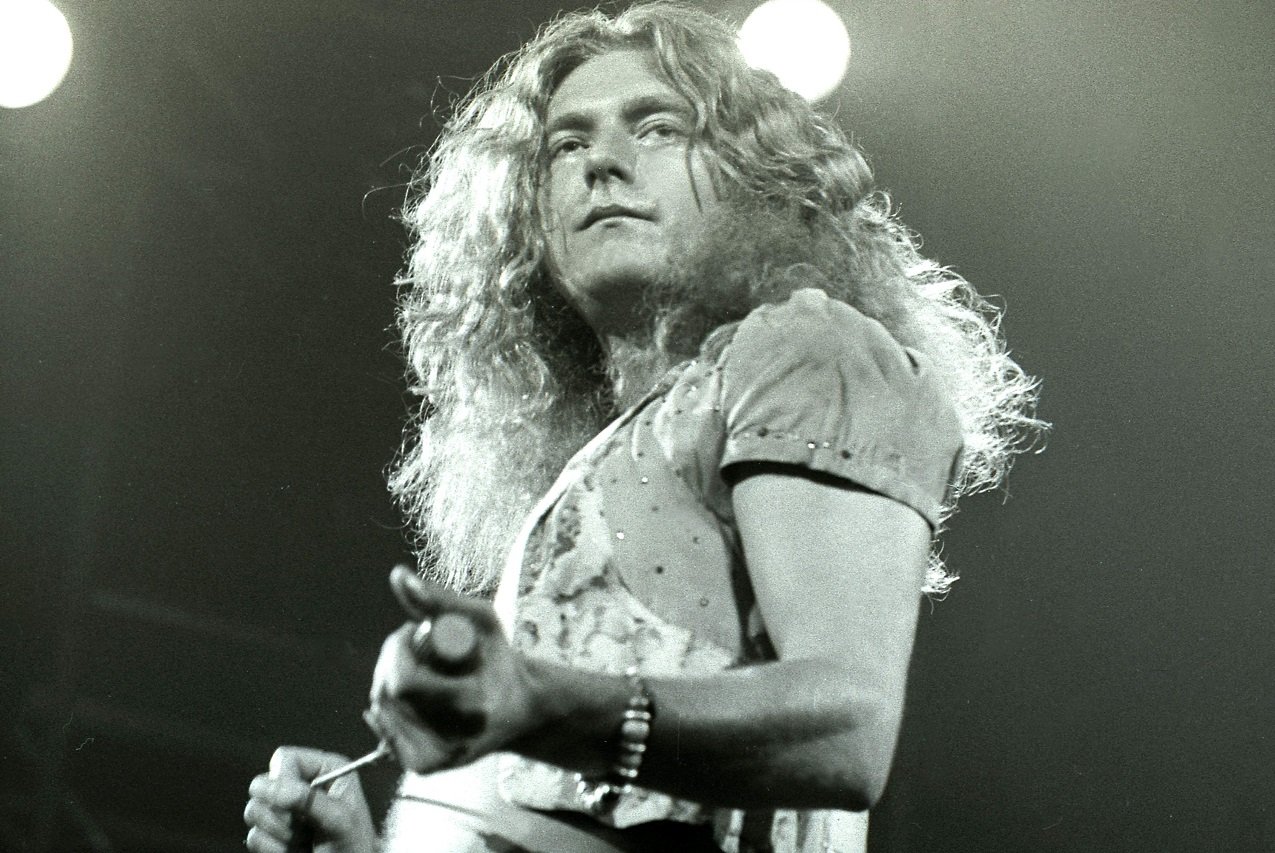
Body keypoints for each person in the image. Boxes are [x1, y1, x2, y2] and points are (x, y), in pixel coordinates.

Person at [244, 3, 1044, 852]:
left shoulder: (804, 347)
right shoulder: (613, 446)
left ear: (749, 171)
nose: (603, 164)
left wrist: (539, 703)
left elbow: (844, 730)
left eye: (656, 128)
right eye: (566, 144)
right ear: (532, 211)